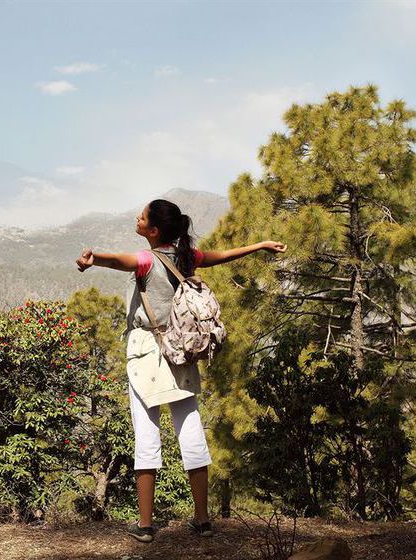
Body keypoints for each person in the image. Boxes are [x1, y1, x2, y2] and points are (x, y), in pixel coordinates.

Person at [75, 198, 286, 542]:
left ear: (153, 231)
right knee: (190, 431)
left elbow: (120, 260)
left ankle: (145, 525)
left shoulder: (147, 260)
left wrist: (94, 259)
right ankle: (202, 520)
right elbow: (222, 255)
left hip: (147, 353)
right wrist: (260, 246)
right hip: (182, 353)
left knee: (146, 435)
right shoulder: (187, 256)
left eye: (142, 217)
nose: (137, 218)